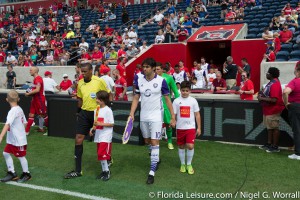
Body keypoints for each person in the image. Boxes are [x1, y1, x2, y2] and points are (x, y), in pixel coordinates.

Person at [129, 58, 176, 184]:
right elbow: (136, 97)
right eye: (143, 67)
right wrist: (131, 113)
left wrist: (172, 116)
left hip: (156, 116)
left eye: (147, 67)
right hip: (144, 115)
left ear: (154, 68)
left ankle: (152, 171)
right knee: (147, 141)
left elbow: (167, 100)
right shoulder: (139, 79)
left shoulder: (162, 81)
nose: (144, 69)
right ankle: (156, 158)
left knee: (155, 142)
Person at [64, 63, 111, 179]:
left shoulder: (99, 81)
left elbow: (108, 94)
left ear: (91, 71)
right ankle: (78, 170)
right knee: (78, 138)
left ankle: (108, 159)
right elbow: (79, 98)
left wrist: (106, 109)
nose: (82, 73)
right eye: (81, 71)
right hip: (84, 113)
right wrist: (78, 111)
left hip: (97, 113)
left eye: (85, 71)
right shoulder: (80, 82)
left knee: (101, 140)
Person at [0, 90, 31, 183]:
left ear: (6, 100)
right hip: (13, 140)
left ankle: (27, 174)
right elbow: (25, 122)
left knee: (21, 156)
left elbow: (7, 124)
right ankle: (12, 173)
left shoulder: (13, 111)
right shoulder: (19, 109)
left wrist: (1, 136)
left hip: (18, 140)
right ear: (18, 99)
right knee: (5, 153)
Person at [172, 81, 201, 175]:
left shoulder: (193, 101)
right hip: (180, 128)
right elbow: (174, 114)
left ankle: (189, 164)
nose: (184, 92)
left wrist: (199, 127)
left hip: (190, 128)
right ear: (180, 90)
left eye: (186, 90)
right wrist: (173, 121)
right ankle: (182, 164)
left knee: (190, 146)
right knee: (181, 146)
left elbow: (197, 114)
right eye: (183, 90)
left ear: (190, 91)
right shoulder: (176, 101)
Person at [257, 67, 285, 153]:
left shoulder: (275, 84)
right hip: (268, 109)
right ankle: (269, 144)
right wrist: (261, 94)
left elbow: (274, 100)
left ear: (271, 74)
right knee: (269, 128)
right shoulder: (271, 83)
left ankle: (275, 146)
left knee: (274, 128)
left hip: (273, 109)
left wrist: (261, 98)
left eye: (268, 73)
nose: (266, 74)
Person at [90, 91, 114, 181]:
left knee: (102, 153)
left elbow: (111, 124)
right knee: (100, 155)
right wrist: (92, 129)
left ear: (103, 100)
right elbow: (95, 123)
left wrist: (101, 123)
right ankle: (104, 171)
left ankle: (107, 171)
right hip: (99, 135)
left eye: (97, 99)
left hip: (106, 135)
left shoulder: (108, 110)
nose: (96, 100)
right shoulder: (96, 110)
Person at [156, 63, 180, 150]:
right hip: (155, 104)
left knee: (168, 123)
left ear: (162, 69)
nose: (156, 71)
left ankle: (169, 141)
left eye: (158, 69)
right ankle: (155, 142)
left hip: (166, 104)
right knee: (155, 123)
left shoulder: (169, 77)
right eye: (155, 69)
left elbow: (175, 91)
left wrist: (179, 101)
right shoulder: (152, 78)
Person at [283, 65, 300, 160]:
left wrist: (286, 103)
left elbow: (285, 92)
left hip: (296, 107)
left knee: (297, 131)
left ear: (297, 71)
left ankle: (298, 153)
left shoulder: (295, 81)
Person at [25, 67, 48, 135]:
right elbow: (35, 89)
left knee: (43, 115)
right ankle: (26, 131)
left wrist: (28, 93)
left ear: (35, 71)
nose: (30, 71)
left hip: (40, 100)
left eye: (31, 70)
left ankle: (50, 130)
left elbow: (37, 90)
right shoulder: (35, 79)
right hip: (35, 99)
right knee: (31, 114)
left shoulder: (38, 79)